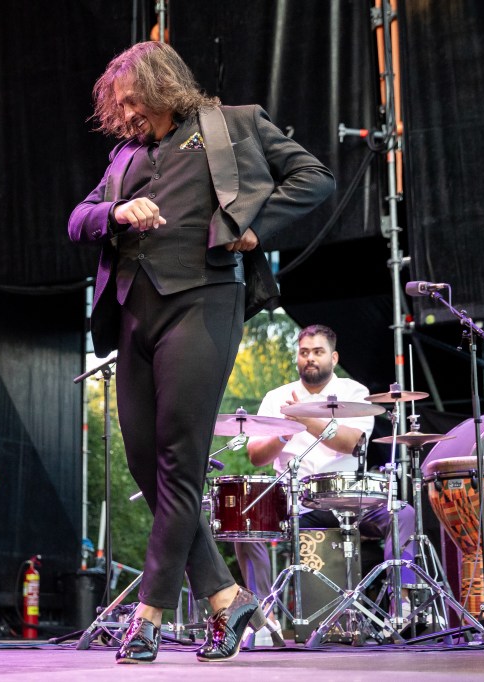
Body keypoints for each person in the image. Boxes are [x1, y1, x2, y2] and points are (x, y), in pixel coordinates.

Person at [68, 41, 335, 663]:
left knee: (180, 462)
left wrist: (255, 229)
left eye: (130, 97)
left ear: (160, 84)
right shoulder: (125, 155)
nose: (124, 110)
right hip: (133, 313)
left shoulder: (234, 124)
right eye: (117, 103)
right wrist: (116, 212)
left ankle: (150, 614)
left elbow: (315, 178)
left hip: (202, 303)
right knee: (145, 462)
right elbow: (79, 219)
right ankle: (226, 597)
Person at [236, 324, 417, 633]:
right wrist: (284, 432)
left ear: (333, 357)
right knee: (246, 522)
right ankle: (264, 618)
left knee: (402, 513)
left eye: (318, 352)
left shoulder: (354, 392)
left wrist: (304, 419)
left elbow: (352, 443)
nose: (310, 358)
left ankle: (400, 603)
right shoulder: (276, 397)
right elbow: (256, 456)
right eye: (304, 352)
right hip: (295, 502)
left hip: (348, 498)